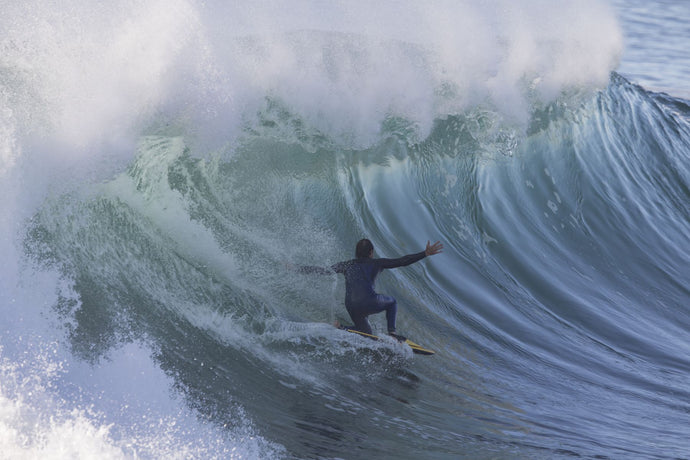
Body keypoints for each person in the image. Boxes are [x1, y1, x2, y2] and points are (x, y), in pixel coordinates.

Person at [299, 239, 443, 340]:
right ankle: (392, 334)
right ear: (371, 252)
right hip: (368, 301)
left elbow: (323, 270)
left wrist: (298, 268)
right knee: (392, 302)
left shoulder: (346, 265)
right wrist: (424, 253)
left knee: (366, 333)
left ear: (356, 252)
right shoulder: (377, 263)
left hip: (351, 305)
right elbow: (402, 261)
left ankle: (342, 328)